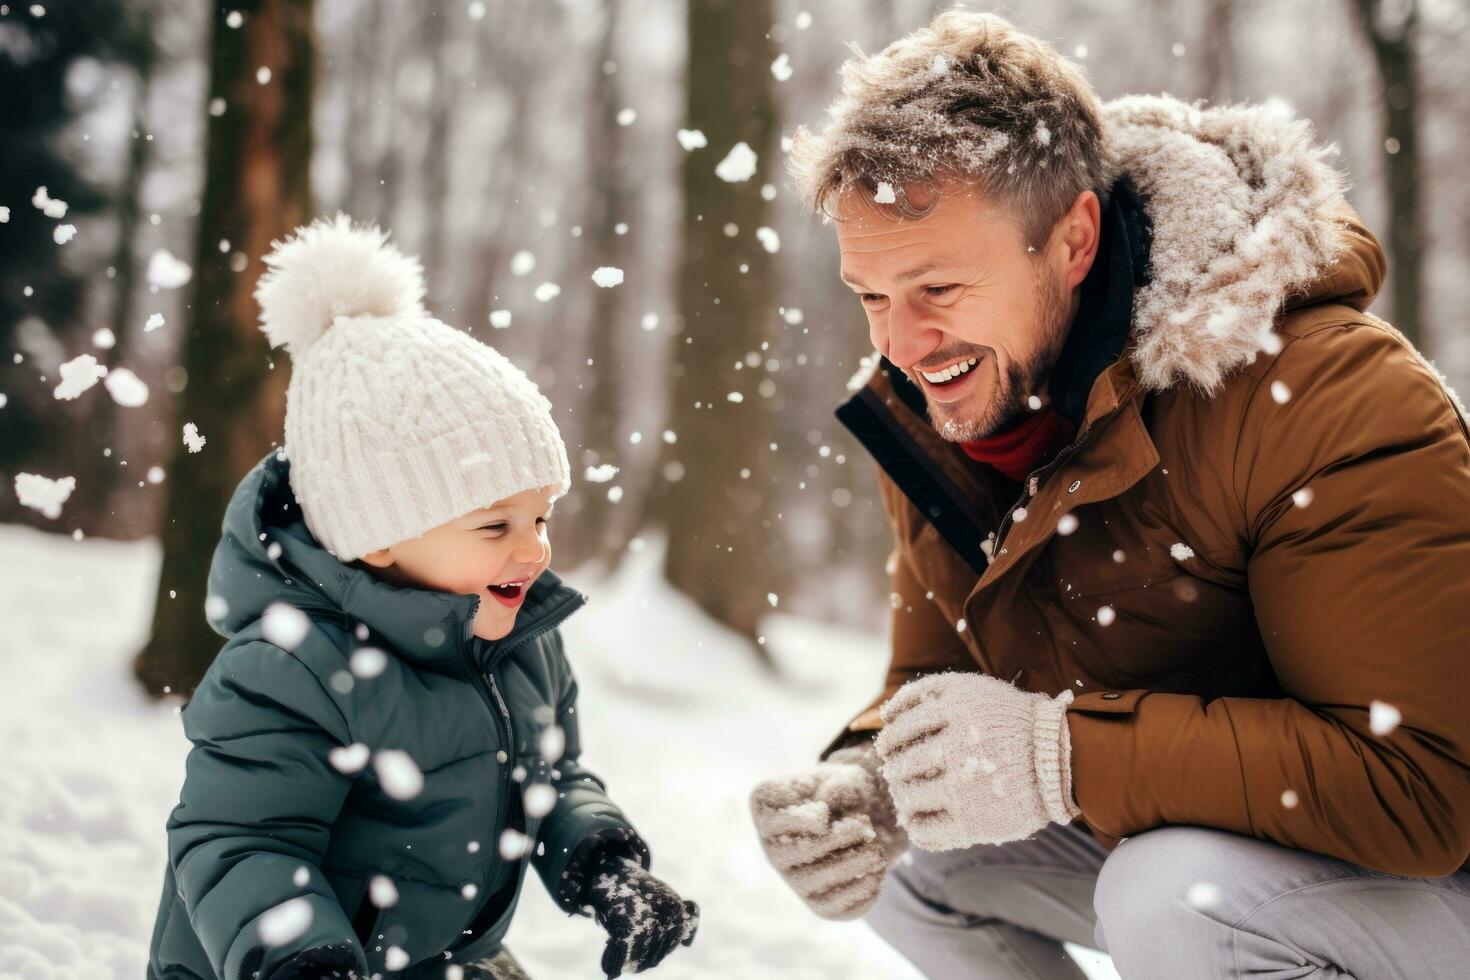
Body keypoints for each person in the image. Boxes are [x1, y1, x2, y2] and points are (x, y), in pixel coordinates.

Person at [751, 11, 1470, 979]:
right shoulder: (941, 412)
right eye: (872, 294)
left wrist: (1063, 754)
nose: (901, 343)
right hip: (1226, 842)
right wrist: (867, 779)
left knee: (1177, 895)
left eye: (940, 286)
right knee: (922, 843)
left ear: (1075, 239)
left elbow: (1420, 787)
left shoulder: (1329, 395)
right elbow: (934, 683)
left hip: (1432, 879)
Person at [147, 216, 697, 980]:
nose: (534, 547)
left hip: (431, 956)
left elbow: (554, 778)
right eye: (496, 524)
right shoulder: (290, 667)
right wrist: (308, 958)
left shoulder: (520, 636)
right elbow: (239, 842)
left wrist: (605, 864)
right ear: (380, 535)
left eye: (541, 516)